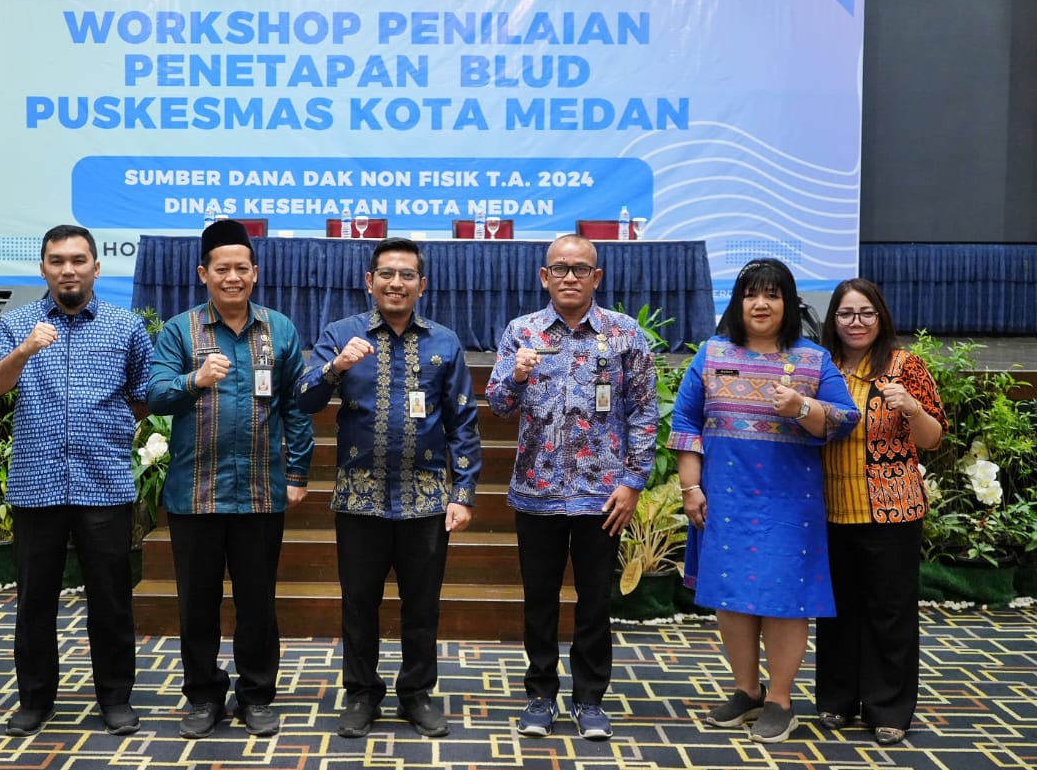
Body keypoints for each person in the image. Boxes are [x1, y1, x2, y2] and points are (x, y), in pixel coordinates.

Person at [668, 257, 859, 743]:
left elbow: (845, 418)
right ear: (737, 303)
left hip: (789, 504)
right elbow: (685, 423)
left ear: (787, 304)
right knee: (731, 597)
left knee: (783, 600)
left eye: (772, 295)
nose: (760, 303)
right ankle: (747, 691)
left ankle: (780, 700)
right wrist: (691, 487)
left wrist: (803, 406)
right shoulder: (711, 354)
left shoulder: (813, 360)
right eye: (751, 294)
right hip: (724, 499)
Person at [296, 237, 481, 739]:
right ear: (369, 281)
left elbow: (463, 422)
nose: (396, 283)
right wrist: (335, 367)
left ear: (422, 284)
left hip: (426, 498)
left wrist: (463, 493)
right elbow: (305, 400)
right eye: (386, 274)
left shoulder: (445, 341)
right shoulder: (342, 334)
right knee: (359, 603)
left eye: (406, 275)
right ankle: (361, 693)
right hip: (360, 498)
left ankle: (417, 694)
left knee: (422, 605)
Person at [0, 224, 153, 737]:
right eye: (57, 261)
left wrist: (110, 426)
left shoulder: (125, 327)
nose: (68, 270)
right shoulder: (18, 324)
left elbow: (144, 395)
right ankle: (34, 700)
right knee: (35, 600)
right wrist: (24, 351)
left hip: (104, 482)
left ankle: (115, 699)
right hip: (37, 485)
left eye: (78, 260)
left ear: (96, 267)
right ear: (43, 269)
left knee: (111, 599)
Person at [484, 233, 659, 741]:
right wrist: (516, 377)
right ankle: (540, 695)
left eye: (580, 269)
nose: (569, 277)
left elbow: (644, 411)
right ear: (545, 277)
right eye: (559, 268)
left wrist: (633, 482)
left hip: (602, 495)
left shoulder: (623, 333)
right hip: (536, 492)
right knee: (539, 599)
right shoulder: (522, 332)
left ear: (595, 277)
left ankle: (590, 699)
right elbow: (497, 404)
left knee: (594, 601)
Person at [146, 219, 314, 739]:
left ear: (255, 273)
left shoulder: (279, 330)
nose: (233, 277)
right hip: (195, 493)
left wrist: (298, 471)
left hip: (261, 492)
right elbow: (155, 395)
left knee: (257, 603)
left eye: (242, 268)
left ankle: (257, 695)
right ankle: (202, 697)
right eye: (223, 269)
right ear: (204, 274)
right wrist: (194, 379)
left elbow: (296, 407)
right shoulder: (180, 330)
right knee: (197, 605)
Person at [816, 278, 946, 746]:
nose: (856, 322)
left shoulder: (904, 366)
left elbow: (933, 438)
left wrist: (911, 408)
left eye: (866, 313)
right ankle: (837, 699)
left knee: (889, 612)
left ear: (881, 316)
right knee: (837, 610)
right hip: (831, 507)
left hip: (893, 510)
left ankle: (888, 707)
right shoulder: (821, 365)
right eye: (846, 314)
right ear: (833, 319)